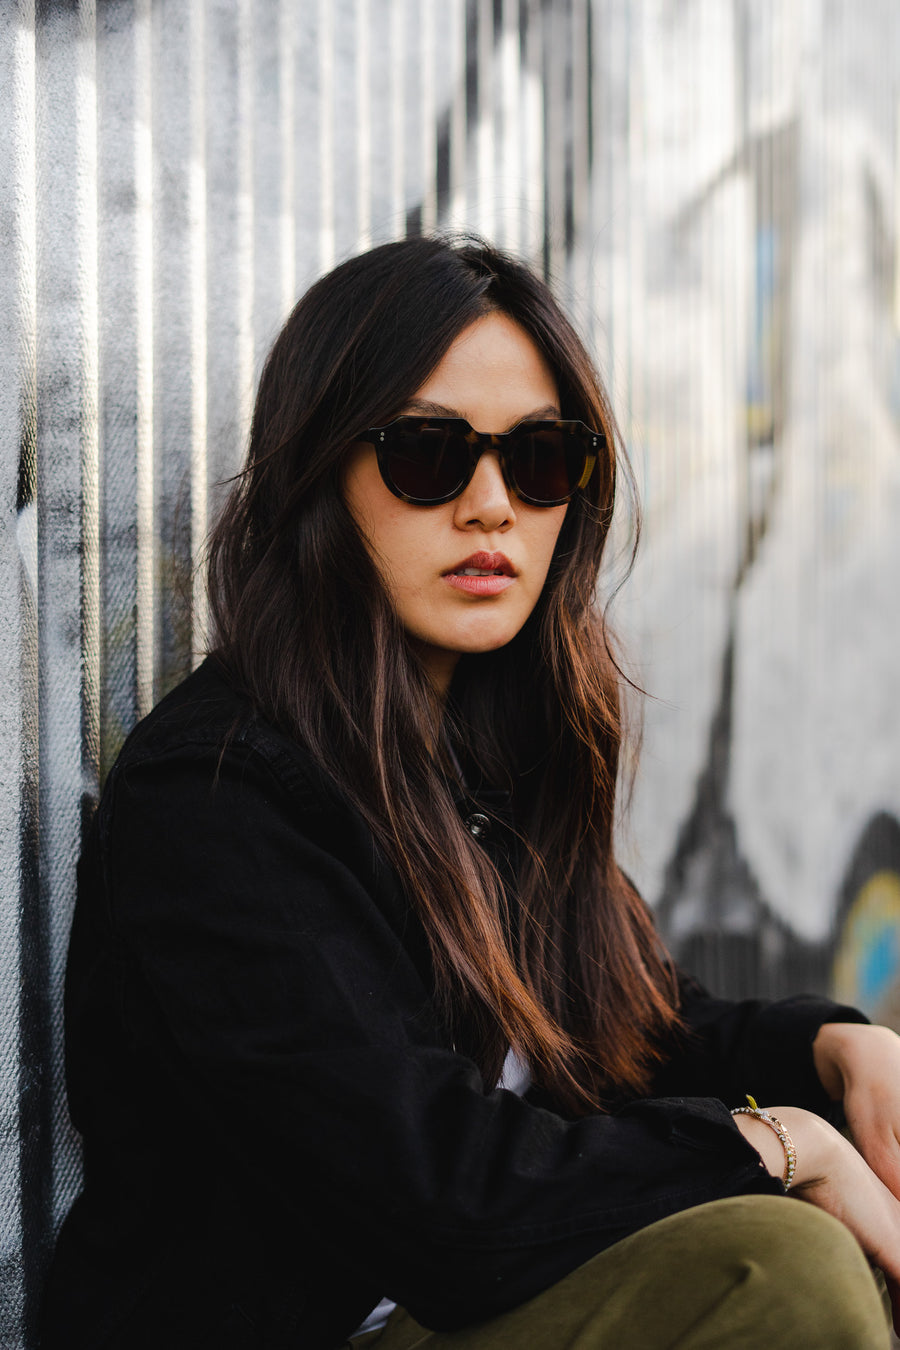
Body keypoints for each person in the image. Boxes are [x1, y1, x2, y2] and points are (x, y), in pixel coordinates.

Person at [43, 236, 900, 1349]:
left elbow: (638, 1030)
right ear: (321, 474)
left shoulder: (483, 767)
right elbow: (438, 1192)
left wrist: (835, 1052)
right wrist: (777, 1146)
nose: (492, 506)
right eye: (428, 455)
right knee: (776, 1267)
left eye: (541, 460)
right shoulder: (219, 799)